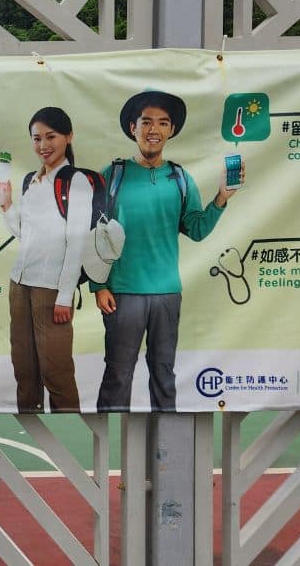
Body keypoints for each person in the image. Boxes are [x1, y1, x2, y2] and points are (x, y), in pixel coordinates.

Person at [93, 91, 244, 412]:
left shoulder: (180, 178)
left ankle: (166, 452)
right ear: (133, 127)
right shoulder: (113, 175)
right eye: (146, 121)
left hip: (167, 294)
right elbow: (93, 234)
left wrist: (221, 198)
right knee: (118, 375)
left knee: (164, 374)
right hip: (122, 293)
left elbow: (197, 229)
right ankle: (107, 451)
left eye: (162, 123)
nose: (154, 129)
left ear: (171, 130)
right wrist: (98, 286)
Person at [0, 107, 93, 413]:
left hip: (51, 288)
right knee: (23, 366)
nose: (43, 145)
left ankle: (70, 435)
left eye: (51, 137)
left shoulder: (75, 182)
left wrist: (65, 295)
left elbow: (77, 242)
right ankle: (31, 420)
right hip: (20, 283)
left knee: (56, 369)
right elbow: (24, 232)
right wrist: (6, 204)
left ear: (68, 137)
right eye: (37, 139)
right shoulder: (30, 181)